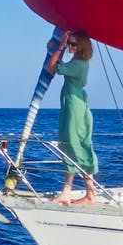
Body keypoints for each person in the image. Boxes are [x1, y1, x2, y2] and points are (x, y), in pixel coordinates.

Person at [47, 31, 98, 205]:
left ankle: (84, 193)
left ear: (82, 46)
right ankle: (73, 192)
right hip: (75, 105)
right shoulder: (78, 62)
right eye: (69, 43)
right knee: (73, 147)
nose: (70, 47)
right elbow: (59, 64)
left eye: (73, 44)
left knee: (73, 147)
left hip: (74, 108)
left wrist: (59, 47)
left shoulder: (78, 64)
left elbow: (51, 67)